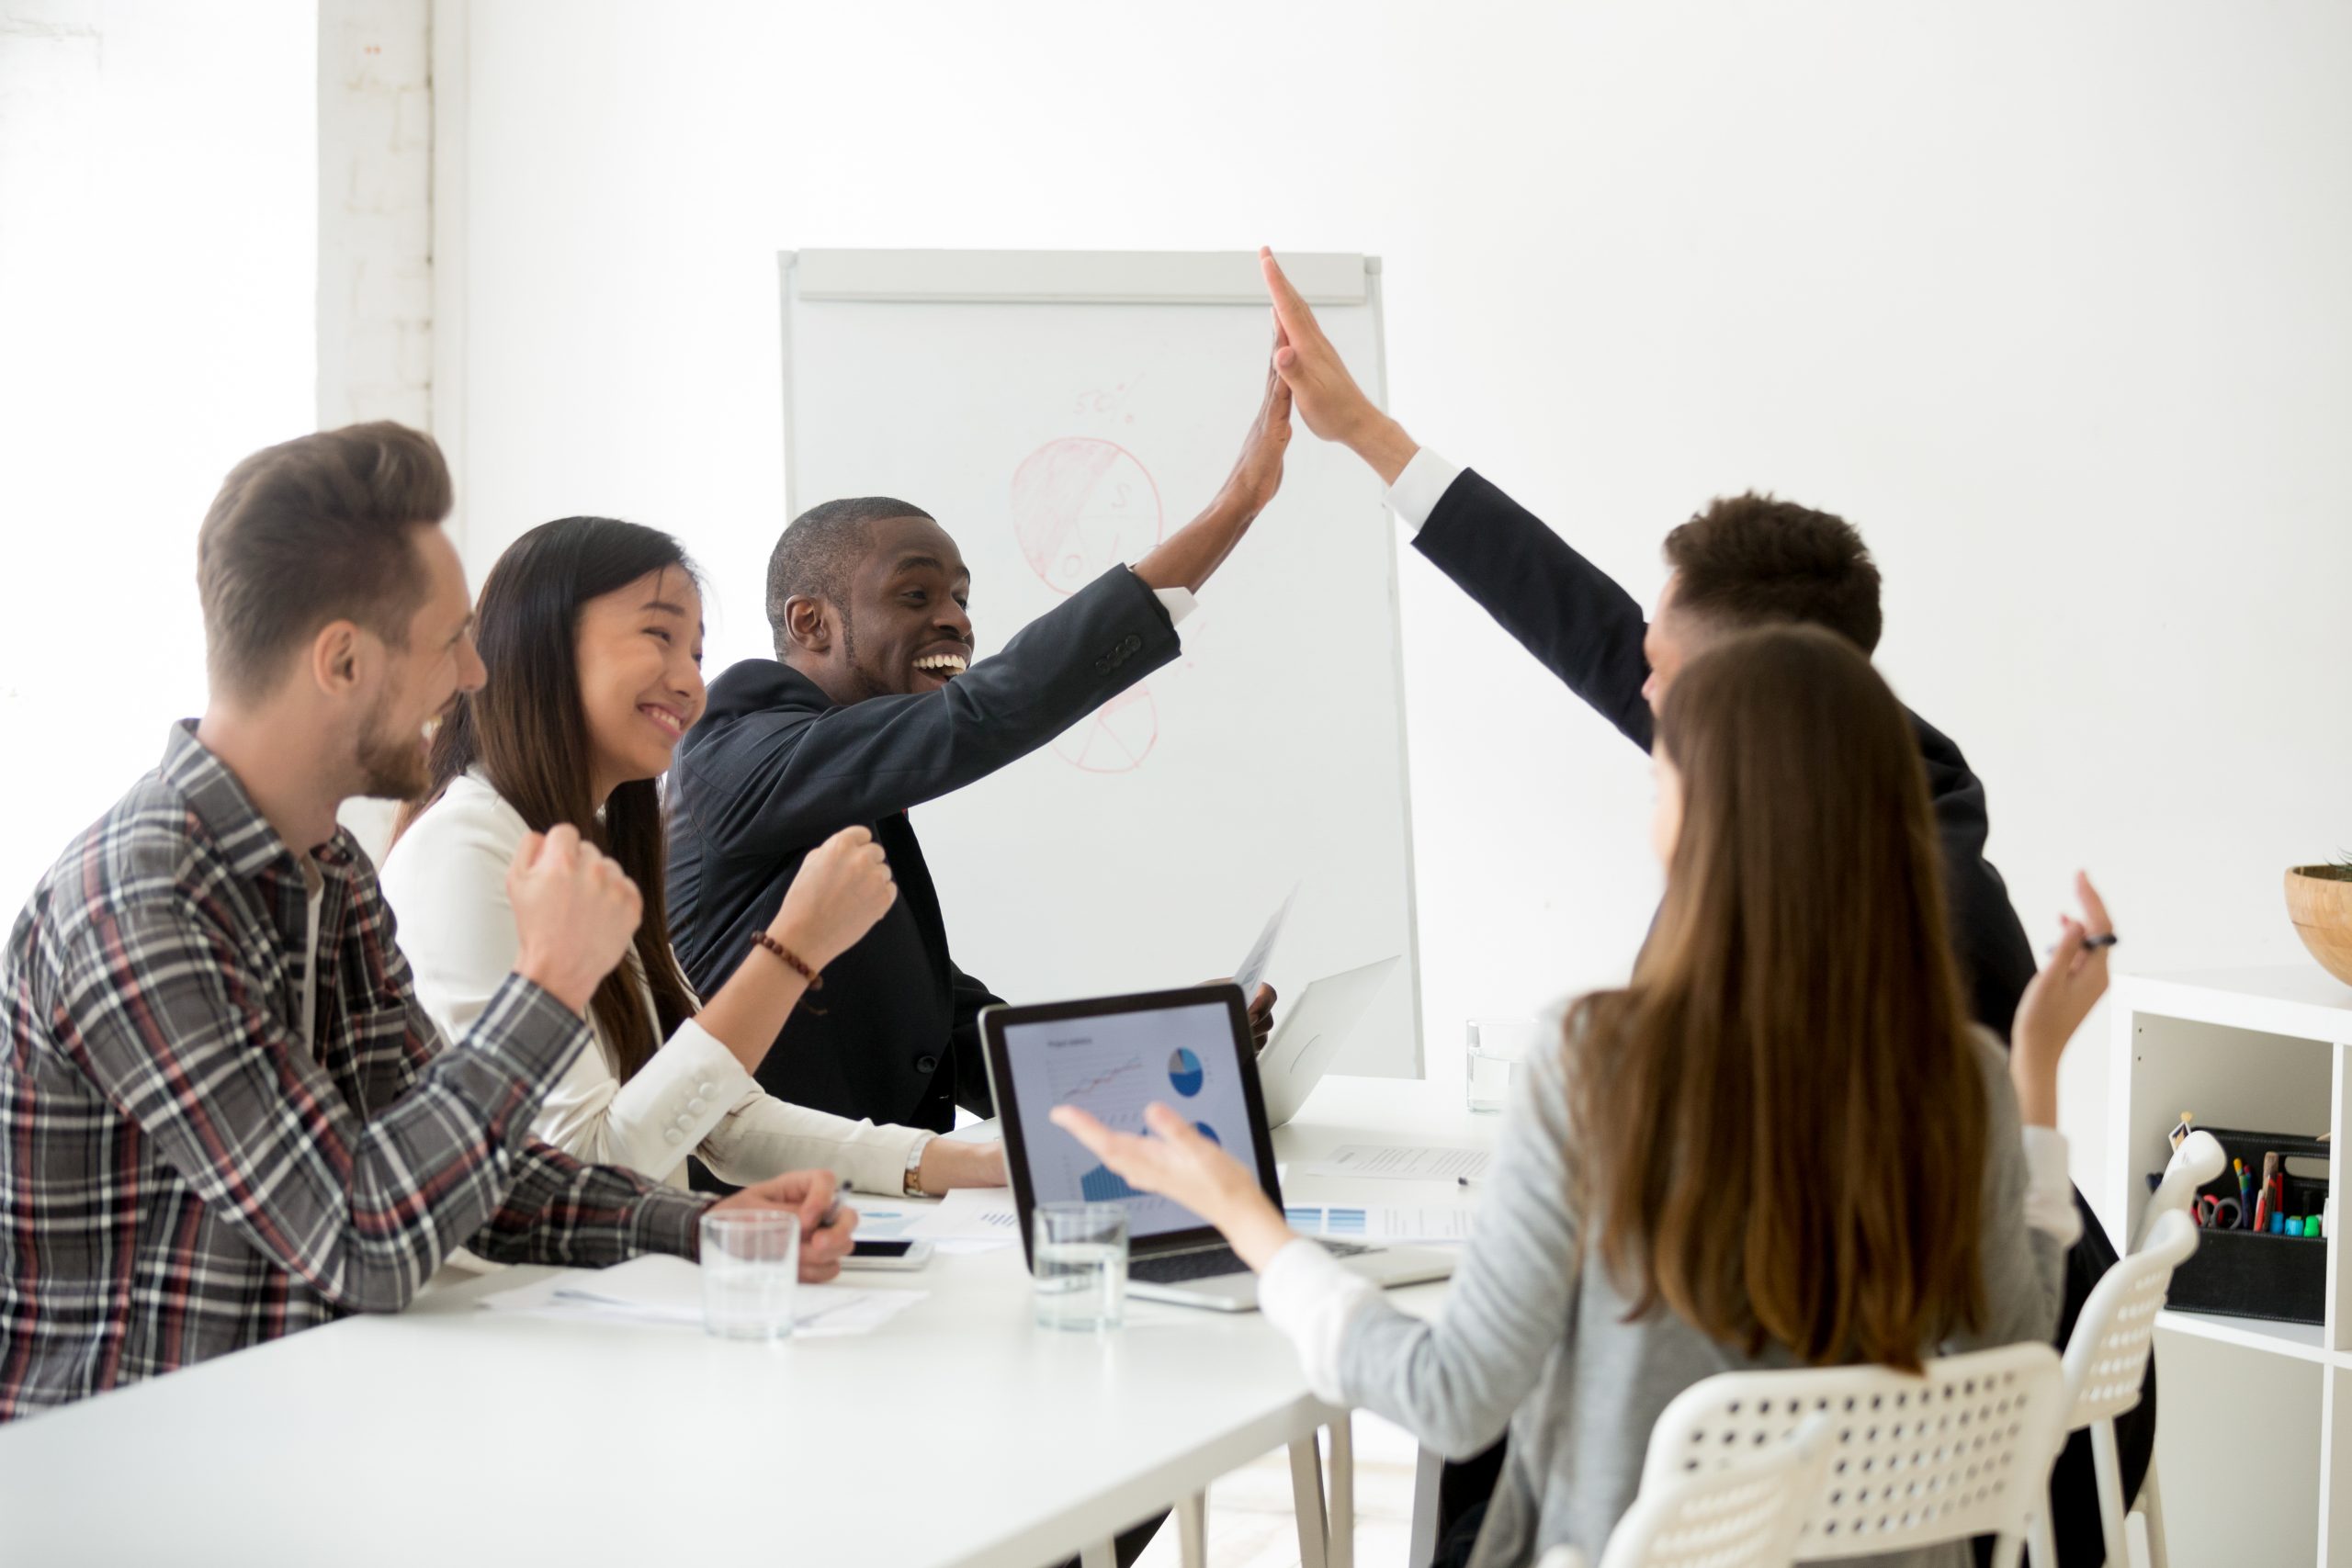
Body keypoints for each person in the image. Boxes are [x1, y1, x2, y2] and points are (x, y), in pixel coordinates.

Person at [1254, 248, 2144, 1567]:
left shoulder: (1906, 906)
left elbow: (1849, 1289)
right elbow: (1595, 627)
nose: (1643, 694)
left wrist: (1249, 1215)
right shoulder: (1870, 803)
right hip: (1889, 1438)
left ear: (1747, 709)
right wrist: (1374, 437)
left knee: (1494, 1423)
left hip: (1915, 1455)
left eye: (1665, 679)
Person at [1054, 626, 2107, 1568]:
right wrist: (2036, 1071)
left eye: (1663, 782)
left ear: (1707, 819)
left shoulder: (1596, 1063)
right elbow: (2018, 1352)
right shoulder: (1961, 1076)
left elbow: (1451, 1399)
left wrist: (1249, 1219)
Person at [0, 424, 854, 1422]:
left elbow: (463, 1170)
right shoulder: (142, 898)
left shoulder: (334, 877)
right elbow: (366, 1238)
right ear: (343, 661)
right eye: (449, 639)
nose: (475, 676)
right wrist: (545, 989)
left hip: (300, 1434)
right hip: (137, 1469)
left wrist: (700, 1226)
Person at [666, 345, 1291, 1147]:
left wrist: (1164, 1043)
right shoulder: (737, 738)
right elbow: (982, 714)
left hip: (881, 1211)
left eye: (962, 598)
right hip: (756, 1224)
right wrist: (1235, 504)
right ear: (809, 622)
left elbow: (956, 1040)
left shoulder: (848, 795)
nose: (957, 620)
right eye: (916, 593)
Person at [381, 516, 1006, 1200]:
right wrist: (793, 948)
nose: (689, 684)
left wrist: (963, 1165)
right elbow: (587, 1169)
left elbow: (722, 1123)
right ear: (542, 643)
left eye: (698, 655)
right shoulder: (462, 851)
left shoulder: (593, 851)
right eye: (660, 636)